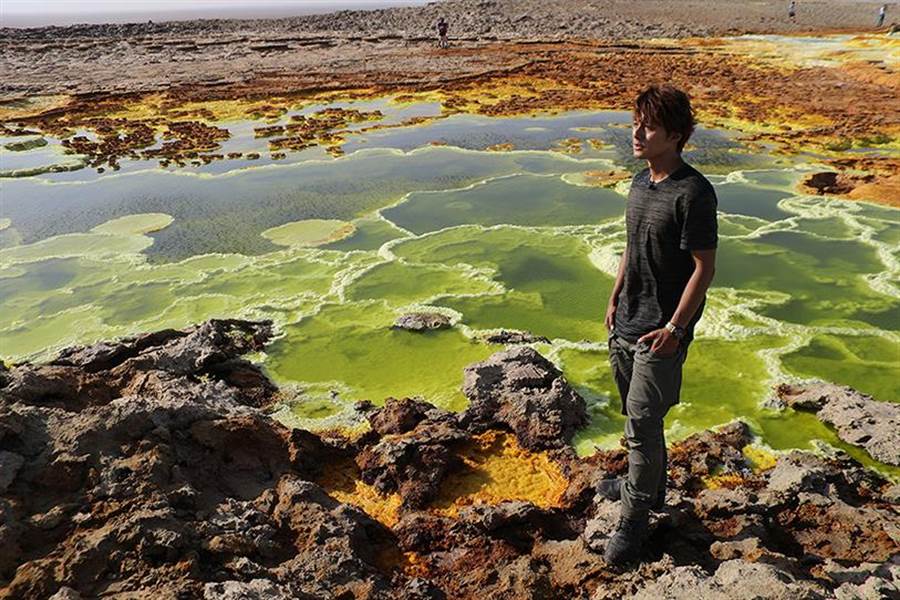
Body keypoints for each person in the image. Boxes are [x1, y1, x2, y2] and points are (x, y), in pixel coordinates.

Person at [600, 84, 718, 566]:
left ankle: (633, 519)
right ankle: (646, 485)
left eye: (648, 126)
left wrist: (674, 329)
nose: (637, 132)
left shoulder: (693, 192)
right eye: (635, 122)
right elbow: (631, 245)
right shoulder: (638, 183)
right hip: (625, 320)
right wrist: (612, 297)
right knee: (636, 420)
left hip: (660, 334)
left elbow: (703, 269)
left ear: (675, 134)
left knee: (643, 427)